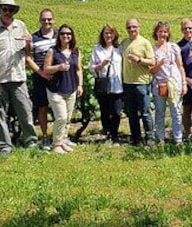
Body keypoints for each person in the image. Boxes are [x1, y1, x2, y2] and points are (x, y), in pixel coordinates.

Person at [0, 0, 39, 153]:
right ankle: (5, 146)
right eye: (4, 9)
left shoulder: (21, 26)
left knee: (25, 110)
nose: (7, 12)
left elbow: (28, 52)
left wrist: (28, 43)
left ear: (14, 11)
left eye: (10, 9)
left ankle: (31, 142)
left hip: (18, 76)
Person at [43, 24, 83, 154]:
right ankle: (56, 145)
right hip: (56, 90)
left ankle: (63, 140)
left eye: (69, 34)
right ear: (58, 36)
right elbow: (46, 69)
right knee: (61, 117)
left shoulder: (76, 51)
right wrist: (58, 67)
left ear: (72, 36)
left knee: (67, 118)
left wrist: (80, 85)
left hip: (70, 88)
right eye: (63, 33)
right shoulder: (52, 51)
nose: (66, 36)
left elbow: (78, 69)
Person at [150, 21, 187, 145]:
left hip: (175, 84)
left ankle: (178, 139)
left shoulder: (174, 47)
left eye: (165, 31)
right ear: (156, 33)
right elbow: (151, 70)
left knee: (176, 112)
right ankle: (160, 139)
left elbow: (180, 66)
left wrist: (184, 83)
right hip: (159, 85)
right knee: (159, 113)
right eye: (160, 31)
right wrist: (160, 63)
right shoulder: (152, 49)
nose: (163, 34)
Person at [120, 18, 155, 146]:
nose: (132, 29)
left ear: (139, 27)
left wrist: (139, 60)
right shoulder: (124, 43)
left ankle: (150, 138)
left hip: (142, 82)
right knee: (131, 113)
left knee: (145, 111)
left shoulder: (145, 43)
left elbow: (152, 61)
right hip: (127, 82)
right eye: (129, 27)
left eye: (134, 27)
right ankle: (136, 138)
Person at [88, 24, 124, 143]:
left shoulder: (119, 49)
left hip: (117, 85)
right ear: (102, 35)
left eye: (110, 33)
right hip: (103, 85)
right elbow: (91, 68)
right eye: (106, 33)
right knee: (104, 112)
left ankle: (114, 133)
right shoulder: (97, 49)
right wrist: (101, 65)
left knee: (116, 112)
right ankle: (108, 132)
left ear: (114, 35)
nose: (108, 35)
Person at [27, 8, 57, 150]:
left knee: (60, 107)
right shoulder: (33, 38)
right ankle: (45, 137)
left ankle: (60, 136)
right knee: (42, 107)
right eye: (44, 19)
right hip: (40, 77)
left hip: (58, 77)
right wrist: (41, 73)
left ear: (54, 20)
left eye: (49, 19)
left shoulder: (61, 34)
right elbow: (28, 58)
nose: (47, 21)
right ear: (39, 20)